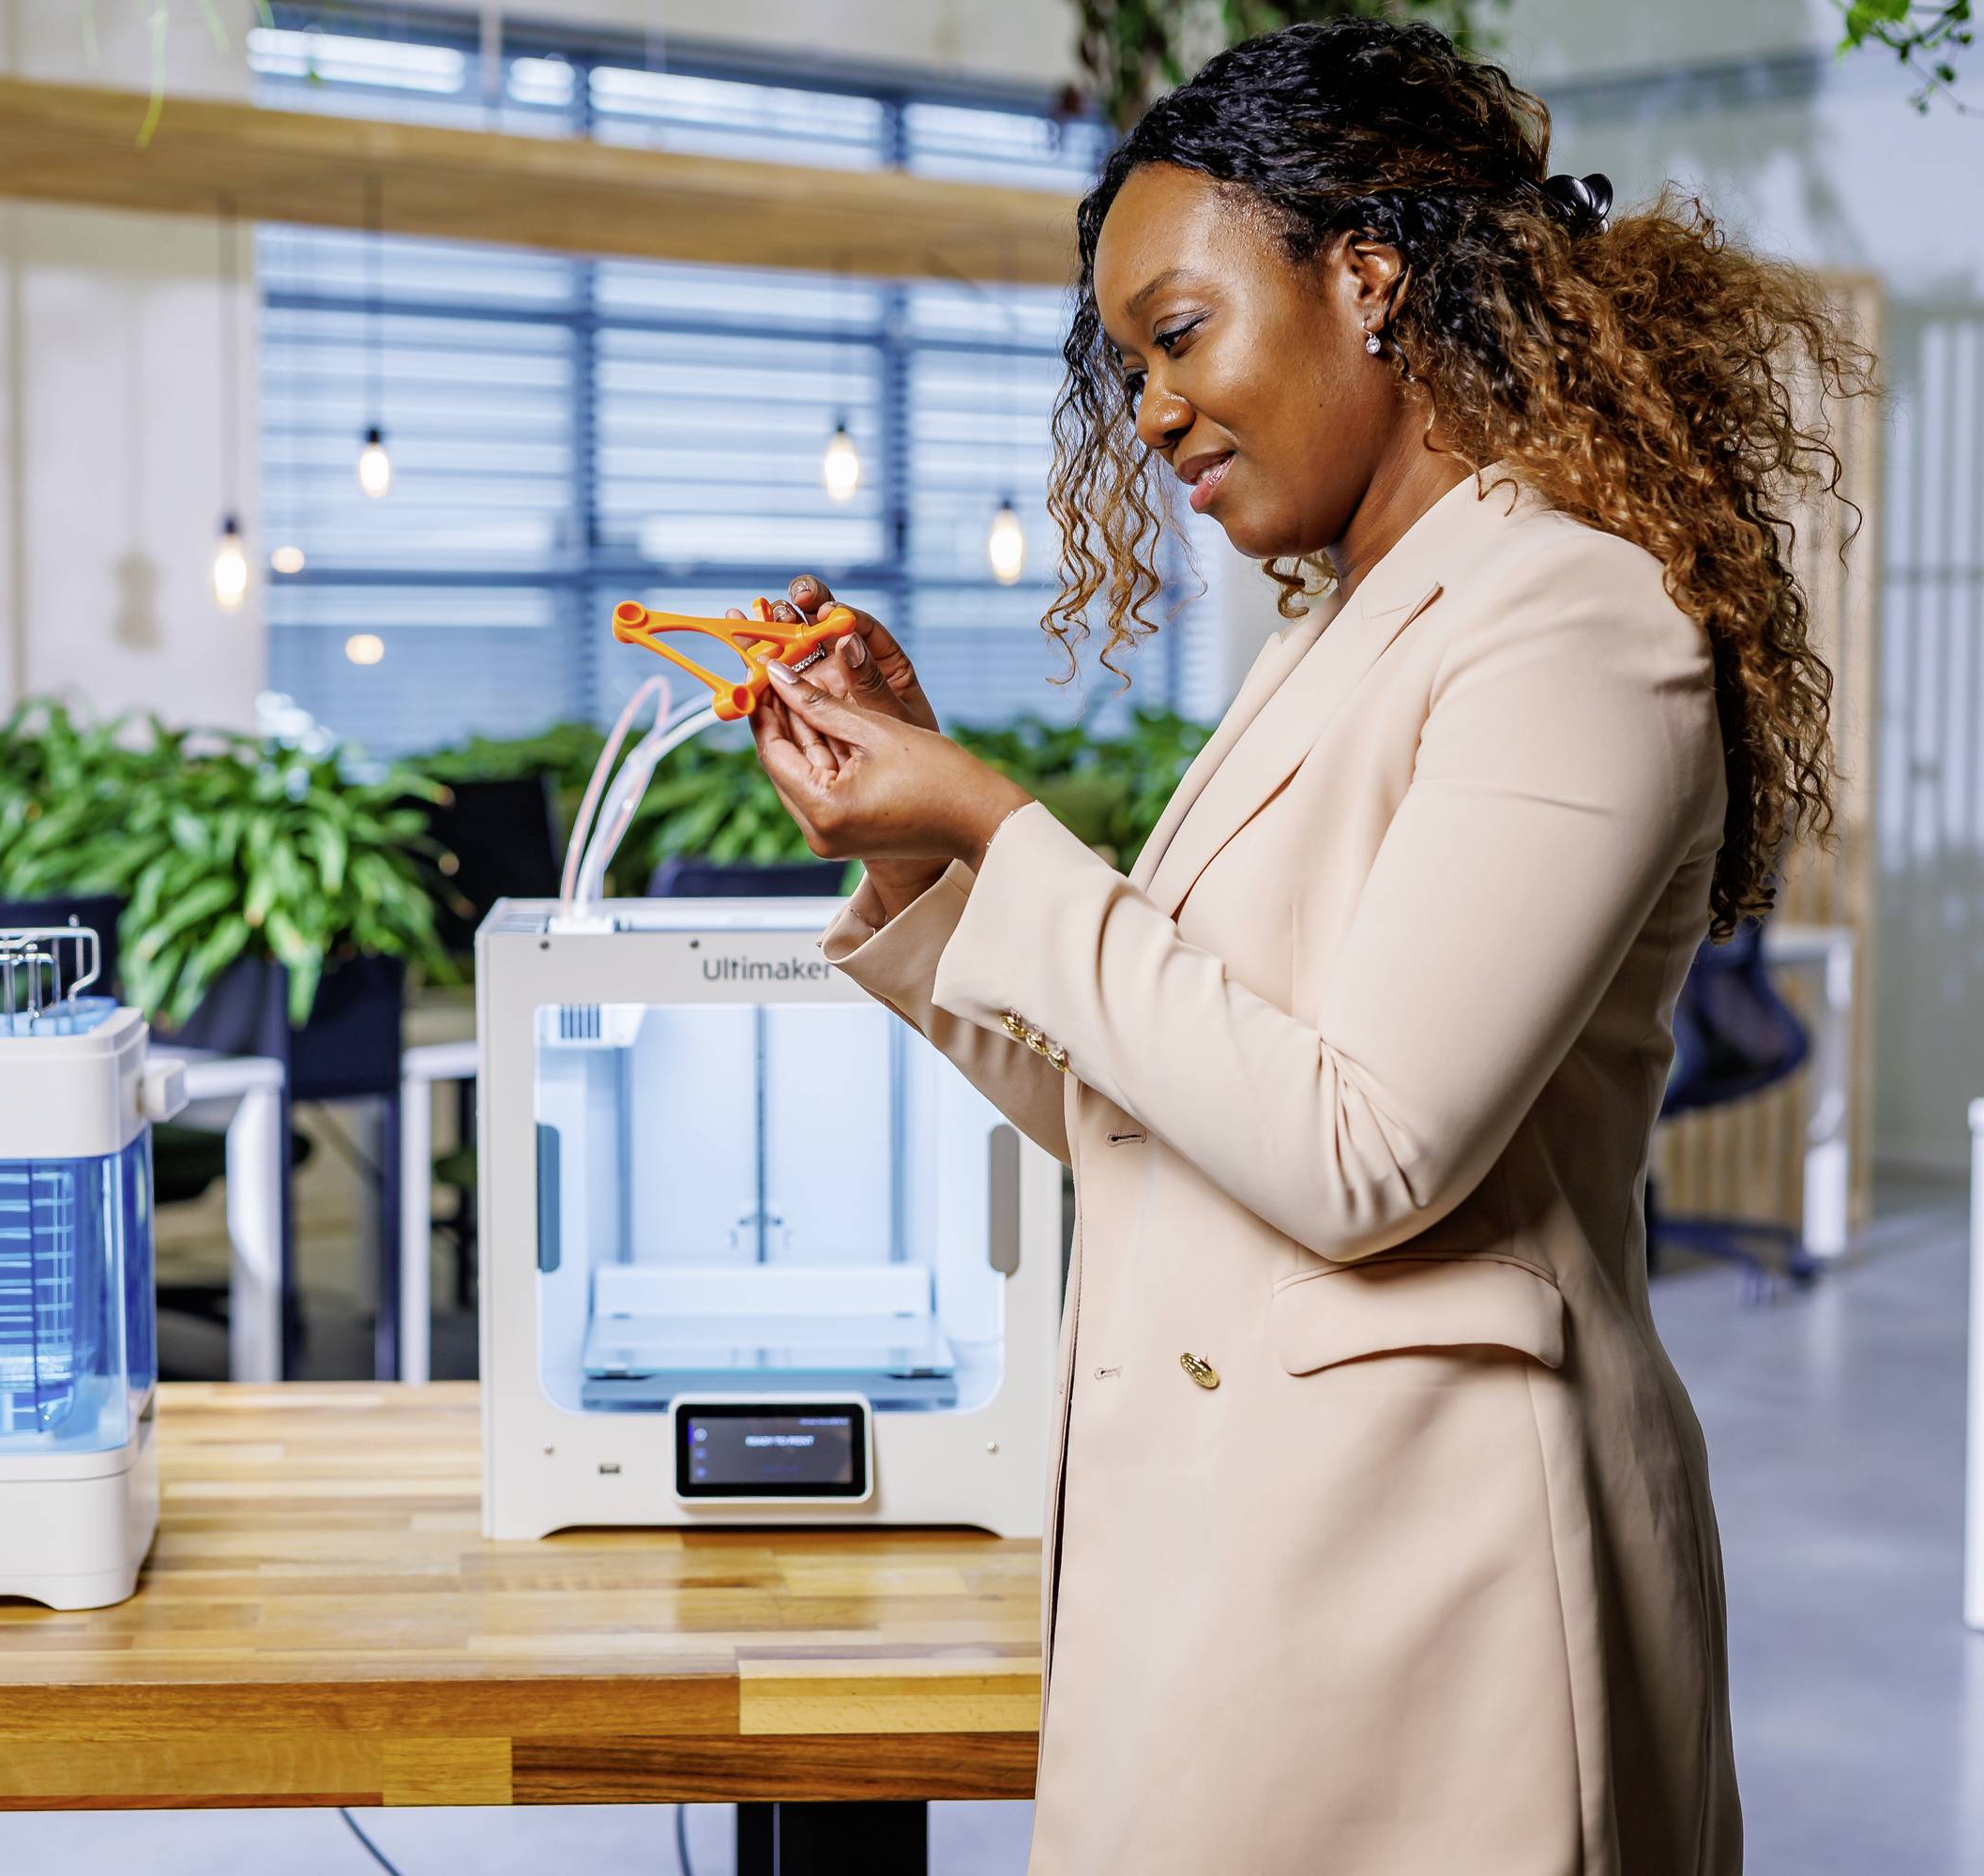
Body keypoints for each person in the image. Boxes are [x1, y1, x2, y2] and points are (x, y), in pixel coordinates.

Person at [736, 19, 1868, 1876]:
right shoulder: (1342, 633)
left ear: (1366, 274)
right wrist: (936, 860)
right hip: (1244, 1575)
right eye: (1129, 366)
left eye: (1178, 334)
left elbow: (1364, 1152)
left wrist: (1007, 828)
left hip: (1445, 1601)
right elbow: (1167, 1107)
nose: (1155, 409)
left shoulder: (1574, 621)